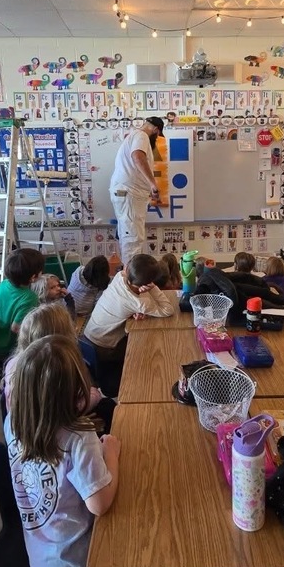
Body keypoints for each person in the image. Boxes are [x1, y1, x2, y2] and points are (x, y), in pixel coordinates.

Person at [4, 335, 185, 567]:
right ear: (75, 392)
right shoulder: (78, 436)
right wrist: (110, 452)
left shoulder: (13, 422)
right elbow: (99, 504)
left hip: (41, 559)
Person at [3, 302, 115, 434]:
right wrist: (95, 394)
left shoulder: (12, 363)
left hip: (25, 427)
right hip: (51, 430)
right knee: (109, 409)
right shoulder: (58, 368)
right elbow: (66, 409)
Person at [83, 253, 174, 396]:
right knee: (146, 348)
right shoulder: (139, 302)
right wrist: (153, 289)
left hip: (88, 337)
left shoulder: (120, 277)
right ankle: (141, 386)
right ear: (148, 283)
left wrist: (134, 308)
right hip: (105, 349)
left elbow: (124, 303)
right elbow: (168, 310)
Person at [110, 116, 163, 261]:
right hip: (130, 193)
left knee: (128, 235)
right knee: (133, 239)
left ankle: (128, 275)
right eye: (157, 135)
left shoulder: (133, 136)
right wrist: (153, 184)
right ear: (156, 130)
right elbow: (138, 156)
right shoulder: (142, 135)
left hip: (127, 192)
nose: (156, 138)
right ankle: (131, 280)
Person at [0, 248, 46, 361]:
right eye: (41, 270)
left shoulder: (3, 284)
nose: (42, 272)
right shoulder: (29, 297)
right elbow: (16, 329)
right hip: (10, 349)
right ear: (33, 277)